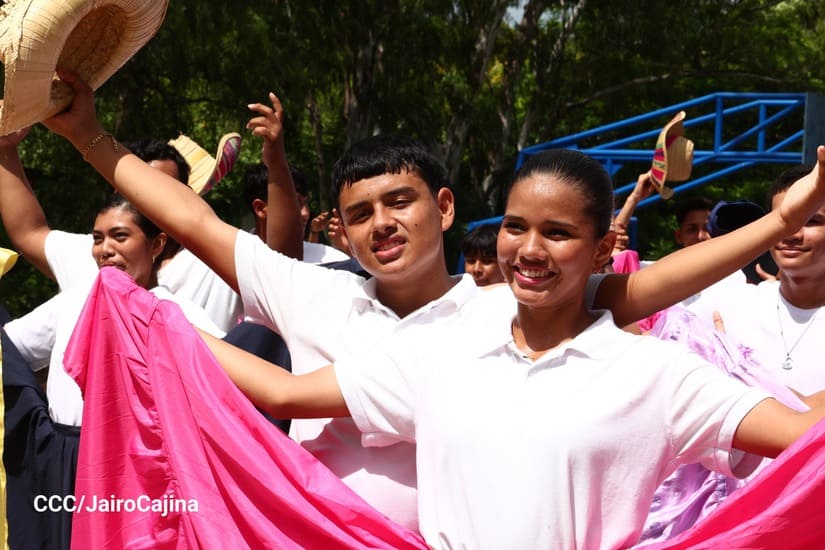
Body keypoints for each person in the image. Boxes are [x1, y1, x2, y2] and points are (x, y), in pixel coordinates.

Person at [40, 70, 825, 531]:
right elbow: (192, 224)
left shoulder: (504, 314)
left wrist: (780, 220)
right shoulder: (316, 295)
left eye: (400, 202)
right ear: (339, 229)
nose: (381, 224)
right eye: (358, 214)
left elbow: (650, 287)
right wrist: (87, 137)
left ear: (444, 208)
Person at [197, 148, 825, 548]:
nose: (529, 250)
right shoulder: (442, 347)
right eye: (515, 227)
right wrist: (159, 320)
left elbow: (804, 439)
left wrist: (781, 222)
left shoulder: (659, 375)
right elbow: (283, 393)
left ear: (603, 251)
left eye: (558, 233)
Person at [1, 192, 224, 550]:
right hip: (64, 464)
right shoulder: (74, 300)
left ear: (156, 244)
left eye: (120, 236)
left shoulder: (180, 315)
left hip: (140, 474)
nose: (105, 250)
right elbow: (9, 350)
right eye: (97, 238)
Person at [0, 130, 242, 333]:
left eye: (165, 187)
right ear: (117, 190)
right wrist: (5, 148)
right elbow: (29, 233)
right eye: (138, 187)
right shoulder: (91, 254)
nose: (150, 199)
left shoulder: (219, 263)